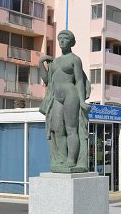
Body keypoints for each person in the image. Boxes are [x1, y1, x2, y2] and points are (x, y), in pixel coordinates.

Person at [39, 30, 91, 173]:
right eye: (60, 38)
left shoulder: (75, 59)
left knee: (71, 128)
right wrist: (40, 63)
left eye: (65, 38)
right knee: (57, 128)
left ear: (71, 42)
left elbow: (79, 81)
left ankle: (72, 160)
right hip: (57, 97)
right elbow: (47, 80)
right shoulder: (55, 61)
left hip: (70, 94)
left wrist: (81, 101)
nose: (62, 41)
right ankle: (62, 158)